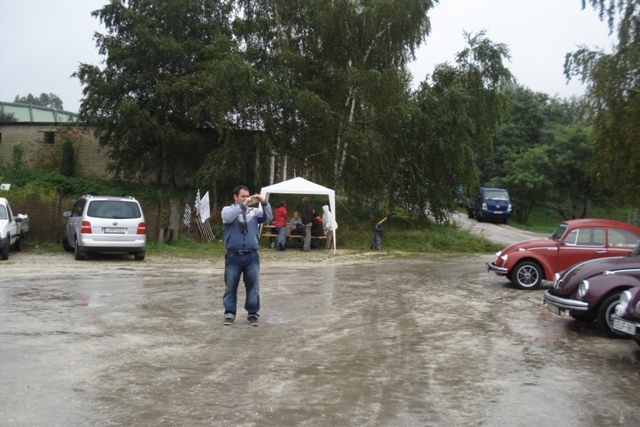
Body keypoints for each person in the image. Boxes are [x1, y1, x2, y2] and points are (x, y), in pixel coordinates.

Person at [221, 185, 273, 326]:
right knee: (231, 286)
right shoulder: (227, 210)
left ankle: (253, 313)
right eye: (243, 196)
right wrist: (242, 206)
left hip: (251, 255)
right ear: (235, 197)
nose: (246, 198)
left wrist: (264, 202)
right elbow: (227, 218)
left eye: (247, 196)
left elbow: (268, 218)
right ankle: (229, 313)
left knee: (253, 287)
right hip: (233, 255)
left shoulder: (254, 212)